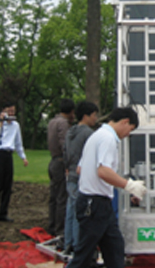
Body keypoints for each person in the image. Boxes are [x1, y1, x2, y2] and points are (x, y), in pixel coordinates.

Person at [66, 107, 147, 268]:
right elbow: (103, 171)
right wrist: (129, 185)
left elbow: (80, 169)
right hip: (95, 204)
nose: (128, 134)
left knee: (114, 247)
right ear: (125, 122)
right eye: (130, 129)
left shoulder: (96, 136)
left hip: (96, 203)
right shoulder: (108, 139)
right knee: (84, 255)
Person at [63, 101, 99, 255]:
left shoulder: (70, 132)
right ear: (86, 116)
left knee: (70, 210)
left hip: (70, 174)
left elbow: (65, 152)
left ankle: (68, 243)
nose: (96, 118)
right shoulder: (88, 134)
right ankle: (78, 246)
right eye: (94, 115)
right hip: (81, 176)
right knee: (81, 212)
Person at [0, 102, 28, 223]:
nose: (11, 114)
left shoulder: (15, 125)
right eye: (9, 111)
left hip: (8, 154)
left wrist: (23, 157)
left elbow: (18, 143)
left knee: (7, 185)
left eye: (13, 111)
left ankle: (3, 212)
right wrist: (1, 123)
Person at [47, 98, 75, 237]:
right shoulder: (63, 124)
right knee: (62, 198)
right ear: (71, 111)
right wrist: (69, 162)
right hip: (60, 162)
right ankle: (60, 229)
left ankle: (51, 226)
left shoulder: (52, 121)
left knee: (54, 196)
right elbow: (65, 145)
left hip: (53, 161)